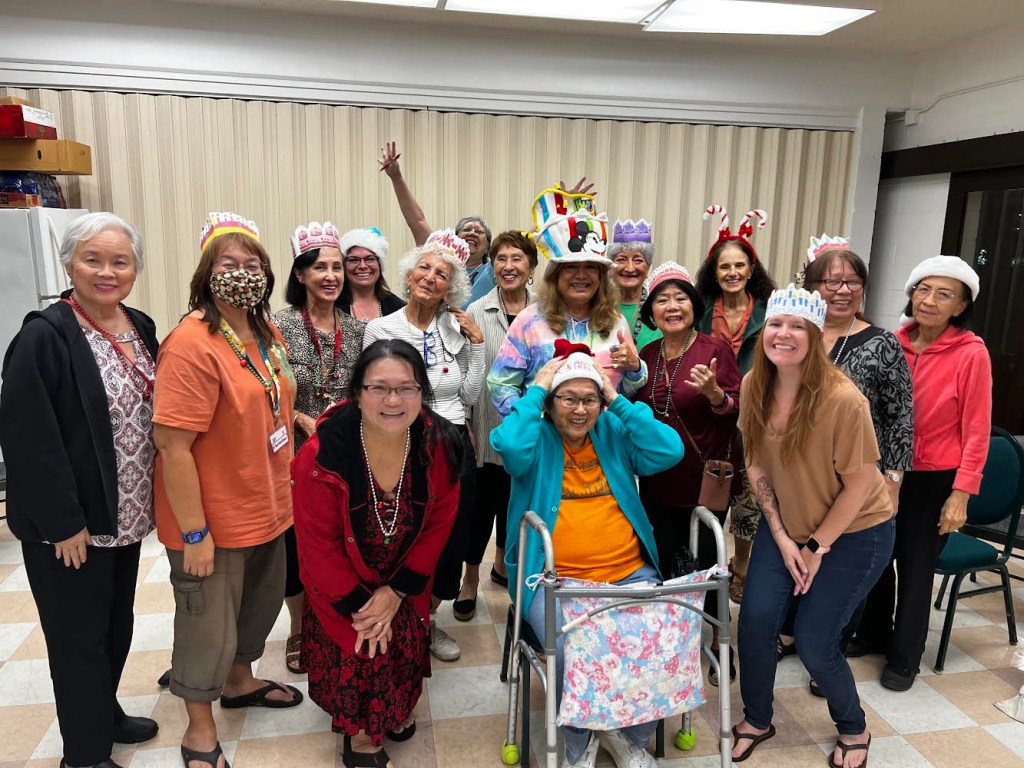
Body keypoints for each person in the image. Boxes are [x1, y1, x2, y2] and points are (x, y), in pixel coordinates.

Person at [0, 213, 159, 768]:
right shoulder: (43, 337)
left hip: (126, 516)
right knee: (78, 641)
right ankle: (85, 754)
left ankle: (104, 714)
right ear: (69, 264)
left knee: (115, 628)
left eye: (120, 261)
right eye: (93, 259)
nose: (106, 272)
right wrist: (63, 522)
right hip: (74, 528)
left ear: (135, 269)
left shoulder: (140, 325)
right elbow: (28, 438)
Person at [153, 212, 302, 768]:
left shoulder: (264, 331)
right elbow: (173, 447)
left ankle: (240, 681)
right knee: (206, 626)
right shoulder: (191, 343)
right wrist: (195, 534)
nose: (243, 273)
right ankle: (198, 729)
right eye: (228, 263)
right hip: (212, 519)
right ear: (206, 273)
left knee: (257, 608)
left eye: (253, 264)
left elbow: (268, 398)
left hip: (269, 504)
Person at [491, 343, 683, 768]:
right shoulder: (536, 435)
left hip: (629, 571)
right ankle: (579, 743)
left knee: (655, 639)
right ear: (551, 402)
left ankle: (627, 734)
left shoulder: (612, 430)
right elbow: (509, 446)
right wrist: (536, 391)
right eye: (568, 399)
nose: (580, 410)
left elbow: (669, 450)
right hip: (552, 579)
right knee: (574, 650)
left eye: (589, 399)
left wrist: (616, 400)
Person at [730, 285, 894, 768]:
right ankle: (757, 718)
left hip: (855, 532)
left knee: (815, 641)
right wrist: (782, 537)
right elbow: (755, 462)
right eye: (775, 324)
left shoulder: (843, 400)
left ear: (816, 336)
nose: (783, 334)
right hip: (787, 525)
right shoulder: (753, 386)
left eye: (797, 327)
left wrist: (816, 547)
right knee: (755, 621)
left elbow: (860, 485)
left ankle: (854, 726)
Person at [292, 339, 462, 768]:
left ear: (422, 392)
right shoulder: (320, 455)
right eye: (379, 388)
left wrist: (398, 591)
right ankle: (361, 736)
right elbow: (318, 547)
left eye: (406, 388)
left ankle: (394, 707)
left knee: (402, 647)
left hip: (403, 576)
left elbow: (439, 521)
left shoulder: (438, 443)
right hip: (342, 582)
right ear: (357, 391)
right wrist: (362, 606)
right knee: (365, 643)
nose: (393, 401)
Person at [776, 237, 913, 694]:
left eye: (851, 282)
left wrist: (893, 479)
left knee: (843, 567)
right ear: (811, 286)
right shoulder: (797, 334)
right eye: (830, 281)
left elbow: (900, 417)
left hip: (859, 477)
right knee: (803, 555)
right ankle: (794, 633)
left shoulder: (881, 343)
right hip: (803, 478)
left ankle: (829, 650)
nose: (841, 290)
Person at [852, 255, 992, 692]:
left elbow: (977, 429)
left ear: (961, 306)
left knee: (915, 567)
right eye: (923, 290)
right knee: (876, 557)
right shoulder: (891, 342)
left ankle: (905, 656)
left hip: (935, 477)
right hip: (885, 469)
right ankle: (874, 632)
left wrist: (961, 494)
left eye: (944, 294)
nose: (929, 300)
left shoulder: (972, 353)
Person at [362, 228, 485, 662]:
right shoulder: (381, 328)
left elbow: (469, 396)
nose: (431, 277)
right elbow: (372, 393)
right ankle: (395, 617)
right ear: (410, 275)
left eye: (442, 274)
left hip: (452, 443)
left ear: (451, 288)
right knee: (402, 536)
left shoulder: (456, 328)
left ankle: (427, 620)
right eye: (424, 268)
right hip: (399, 443)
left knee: (450, 536)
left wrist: (476, 346)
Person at [632, 261, 741, 686]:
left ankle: (719, 642)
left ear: (693, 306)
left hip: (703, 482)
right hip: (658, 482)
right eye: (662, 300)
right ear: (651, 312)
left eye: (680, 298)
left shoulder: (715, 351)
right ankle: (673, 640)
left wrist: (715, 394)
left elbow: (734, 411)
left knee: (708, 566)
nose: (672, 307)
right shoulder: (646, 356)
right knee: (663, 563)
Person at [273, 220, 366, 674]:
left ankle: (336, 618)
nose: (330, 276)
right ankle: (298, 626)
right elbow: (268, 389)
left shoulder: (358, 330)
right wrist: (299, 417)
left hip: (345, 453)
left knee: (339, 541)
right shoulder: (277, 327)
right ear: (301, 274)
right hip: (294, 455)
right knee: (296, 545)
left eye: (336, 267)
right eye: (319, 268)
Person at [488, 187, 647, 417]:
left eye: (590, 267)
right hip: (544, 436)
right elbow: (500, 383)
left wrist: (635, 368)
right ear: (556, 275)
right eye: (571, 266)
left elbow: (626, 391)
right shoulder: (529, 321)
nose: (581, 275)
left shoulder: (616, 323)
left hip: (602, 436)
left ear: (601, 276)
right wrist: (527, 423)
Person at [694, 204, 776, 603]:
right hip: (710, 414)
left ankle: (740, 565)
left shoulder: (770, 311)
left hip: (756, 415)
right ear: (714, 272)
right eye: (724, 266)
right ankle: (704, 564)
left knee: (749, 496)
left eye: (739, 265)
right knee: (709, 492)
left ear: (751, 269)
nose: (732, 273)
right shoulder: (700, 310)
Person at [458, 231, 537, 613]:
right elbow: (466, 371)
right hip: (486, 428)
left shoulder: (545, 311)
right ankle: (470, 578)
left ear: (531, 268)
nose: (508, 266)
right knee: (479, 509)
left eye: (517, 259)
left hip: (531, 432)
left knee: (515, 505)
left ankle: (503, 567)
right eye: (501, 259)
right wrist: (466, 425)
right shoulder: (477, 311)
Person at [378, 141, 493, 306]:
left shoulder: (493, 270)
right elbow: (417, 220)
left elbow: (519, 246)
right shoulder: (437, 254)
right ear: (454, 239)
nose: (472, 233)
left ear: (488, 247)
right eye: (466, 229)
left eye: (479, 232)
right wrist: (396, 177)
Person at [608, 218, 661, 350]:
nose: (630, 268)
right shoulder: (599, 305)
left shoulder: (660, 307)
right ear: (610, 267)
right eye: (621, 259)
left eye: (638, 260)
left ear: (648, 267)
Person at [338, 226, 405, 324]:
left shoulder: (397, 307)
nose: (362, 266)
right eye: (354, 260)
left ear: (379, 264)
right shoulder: (332, 305)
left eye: (369, 259)